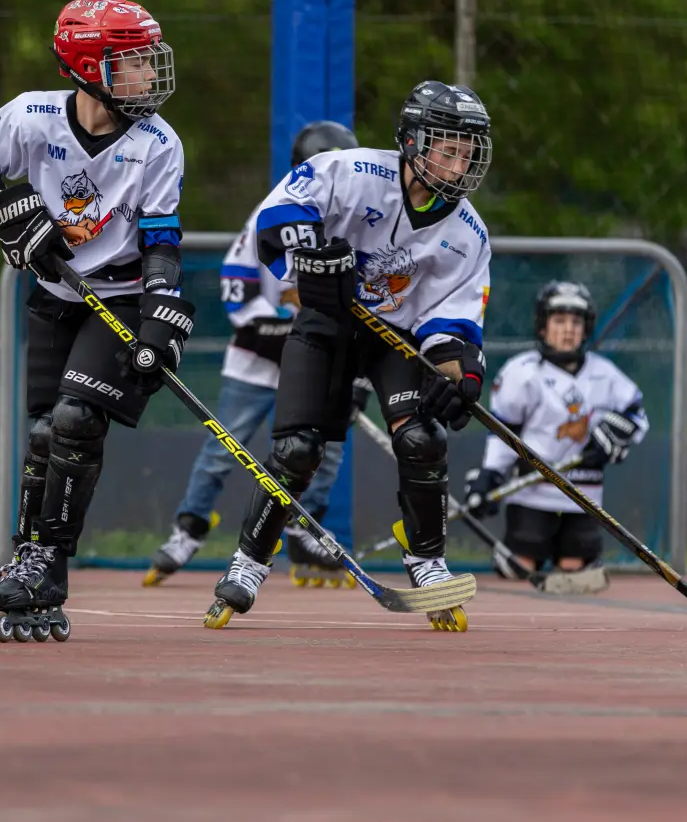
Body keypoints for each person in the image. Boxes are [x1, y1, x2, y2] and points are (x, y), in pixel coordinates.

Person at [0, 0, 194, 642]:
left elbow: (162, 240)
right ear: (86, 65)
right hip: (56, 293)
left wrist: (161, 315)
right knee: (48, 433)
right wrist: (8, 212)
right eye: (130, 64)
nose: (146, 76)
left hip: (123, 296)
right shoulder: (32, 117)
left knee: (79, 419)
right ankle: (29, 558)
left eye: (146, 62)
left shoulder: (159, 143)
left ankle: (49, 564)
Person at [203, 80, 494, 632]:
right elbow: (279, 210)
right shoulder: (354, 172)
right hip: (326, 324)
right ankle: (248, 563)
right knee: (296, 451)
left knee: (422, 436)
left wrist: (461, 373)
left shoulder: (468, 232)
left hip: (394, 337)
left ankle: (427, 560)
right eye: (446, 149)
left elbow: (451, 315)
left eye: (466, 152)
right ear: (411, 142)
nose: (457, 165)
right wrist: (313, 254)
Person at [145, 122, 362, 589]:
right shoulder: (273, 212)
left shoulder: (358, 224)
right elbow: (236, 289)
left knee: (328, 448)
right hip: (258, 359)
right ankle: (189, 528)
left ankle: (305, 529)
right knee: (224, 448)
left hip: (317, 357)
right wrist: (296, 334)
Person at [462, 281, 648, 594]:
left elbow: (637, 417)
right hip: (533, 492)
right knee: (519, 569)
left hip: (583, 495)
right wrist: (491, 474)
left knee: (575, 571)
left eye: (575, 322)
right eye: (559, 321)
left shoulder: (606, 374)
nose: (567, 330)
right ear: (543, 326)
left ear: (586, 328)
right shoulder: (521, 373)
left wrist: (615, 435)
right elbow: (504, 432)